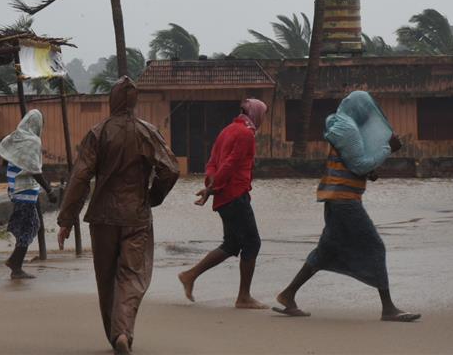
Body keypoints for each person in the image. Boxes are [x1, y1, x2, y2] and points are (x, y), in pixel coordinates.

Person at [57, 77, 179, 355]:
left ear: (111, 101)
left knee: (106, 278)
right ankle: (122, 332)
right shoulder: (147, 131)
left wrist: (66, 220)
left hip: (102, 217)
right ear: (134, 102)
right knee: (131, 276)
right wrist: (153, 196)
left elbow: (80, 178)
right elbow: (170, 169)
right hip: (136, 216)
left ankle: (116, 336)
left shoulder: (97, 133)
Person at [273, 92, 420, 322]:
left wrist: (369, 172)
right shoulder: (348, 130)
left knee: (326, 251)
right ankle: (388, 308)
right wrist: (388, 149)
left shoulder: (342, 126)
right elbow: (359, 165)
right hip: (344, 200)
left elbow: (350, 162)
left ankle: (288, 294)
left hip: (336, 197)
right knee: (375, 247)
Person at [178, 98, 268, 310]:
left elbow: (212, 162)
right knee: (252, 243)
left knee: (232, 244)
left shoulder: (227, 130)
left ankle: (190, 275)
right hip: (235, 195)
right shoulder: (246, 134)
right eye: (263, 115)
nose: (263, 119)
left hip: (225, 197)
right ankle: (244, 297)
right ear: (256, 114)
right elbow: (230, 164)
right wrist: (212, 188)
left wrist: (211, 187)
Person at [0, 109, 57, 279]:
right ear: (37, 124)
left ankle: (15, 260)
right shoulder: (33, 141)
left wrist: (16, 167)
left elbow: (4, 157)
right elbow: (34, 170)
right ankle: (15, 265)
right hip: (25, 191)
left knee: (31, 224)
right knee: (30, 226)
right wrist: (49, 190)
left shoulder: (14, 137)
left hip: (15, 189)